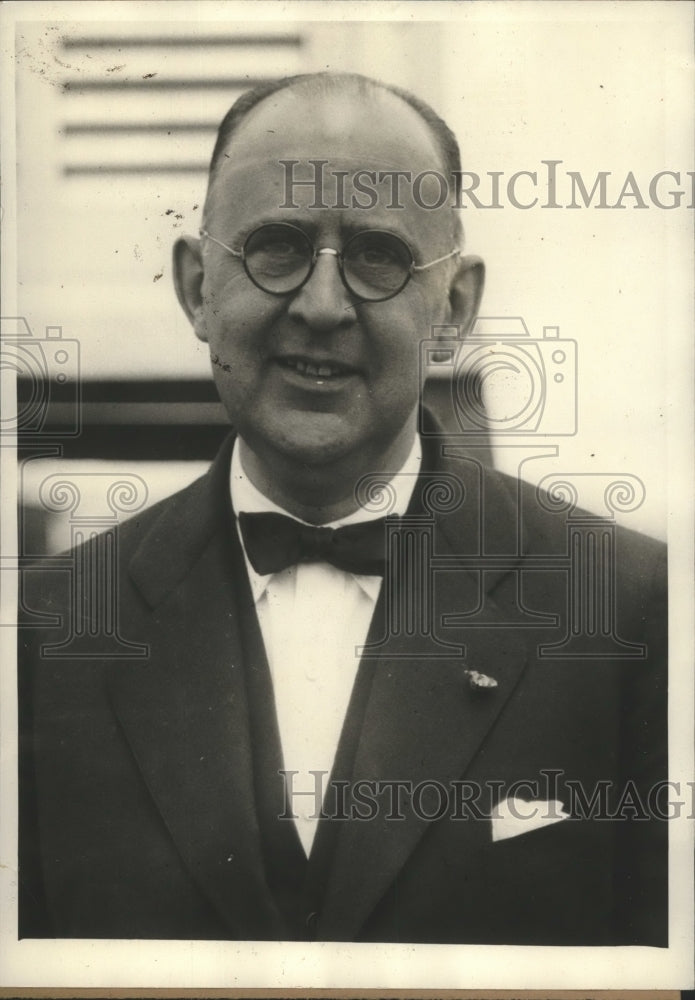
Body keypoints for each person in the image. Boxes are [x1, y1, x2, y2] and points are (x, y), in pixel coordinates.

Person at [18, 72, 667, 945]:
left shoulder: (631, 612)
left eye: (378, 256)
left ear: (455, 308)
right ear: (196, 287)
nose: (322, 308)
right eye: (275, 247)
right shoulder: (40, 633)